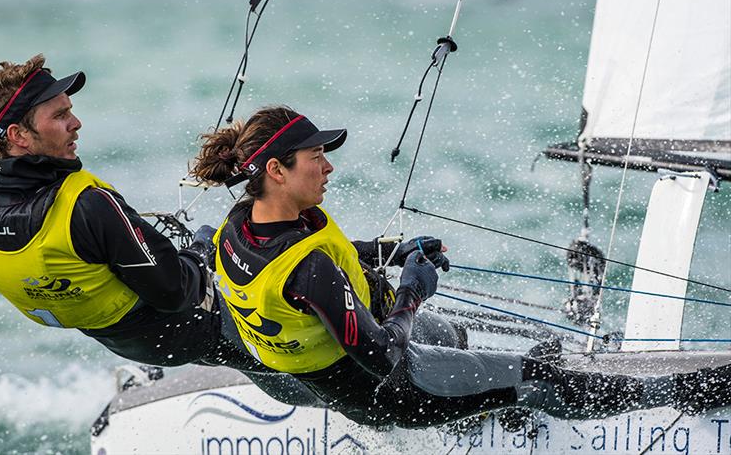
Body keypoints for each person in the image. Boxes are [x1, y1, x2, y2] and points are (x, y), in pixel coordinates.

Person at [192, 105, 731, 428]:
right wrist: (412, 292)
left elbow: (332, 254)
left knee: (453, 334)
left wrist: (394, 250)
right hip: (394, 391)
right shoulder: (306, 272)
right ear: (276, 171)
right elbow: (382, 356)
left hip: (328, 370)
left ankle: (485, 396)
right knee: (544, 378)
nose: (328, 165)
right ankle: (687, 393)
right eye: (315, 158)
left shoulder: (242, 224)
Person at [0, 55, 339, 406]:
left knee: (244, 352)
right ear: (19, 136)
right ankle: (345, 404)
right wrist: (202, 252)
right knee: (286, 346)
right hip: (187, 325)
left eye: (71, 111)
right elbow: (174, 292)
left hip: (128, 341)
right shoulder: (86, 206)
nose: (76, 123)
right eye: (59, 116)